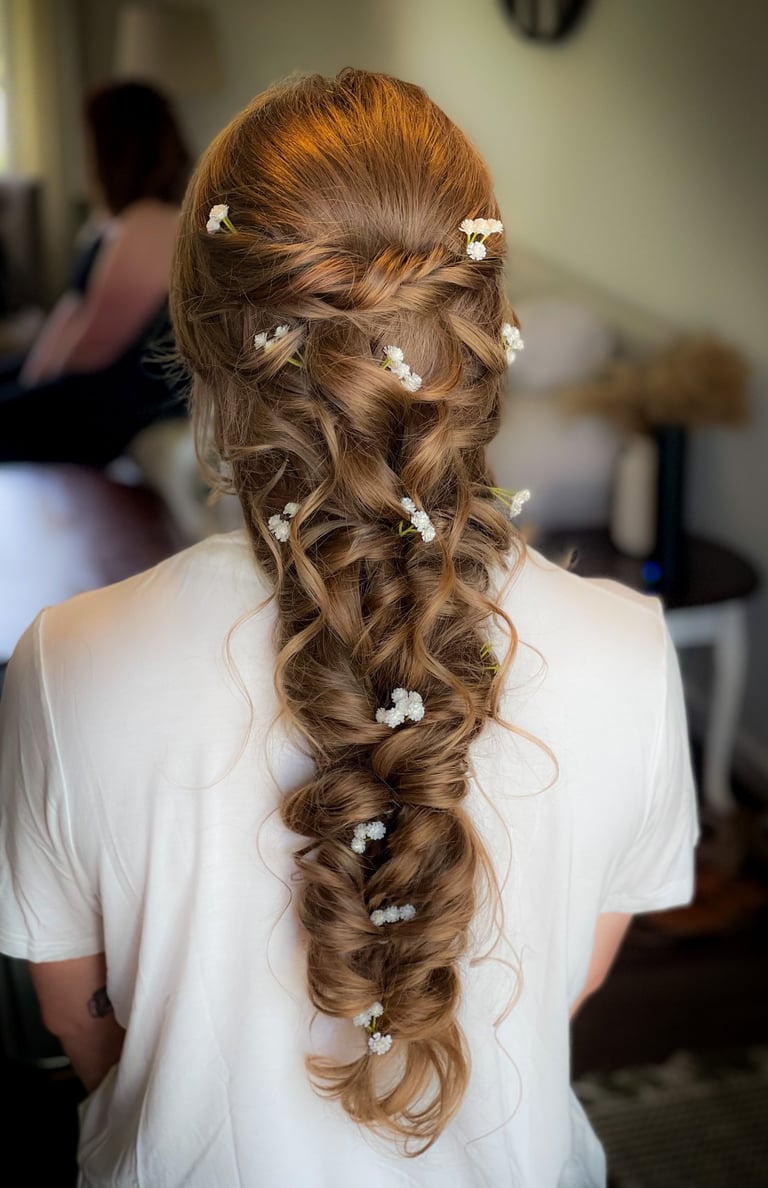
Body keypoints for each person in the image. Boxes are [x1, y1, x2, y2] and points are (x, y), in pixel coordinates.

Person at [0, 70, 698, 1186]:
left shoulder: (64, 663)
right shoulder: (631, 649)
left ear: (204, 337)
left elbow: (84, 1027)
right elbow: (568, 978)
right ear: (485, 328)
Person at [0, 81, 190, 465]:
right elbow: (73, 310)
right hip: (97, 379)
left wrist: (35, 386)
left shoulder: (149, 223)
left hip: (118, 398)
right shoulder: (121, 219)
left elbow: (94, 342)